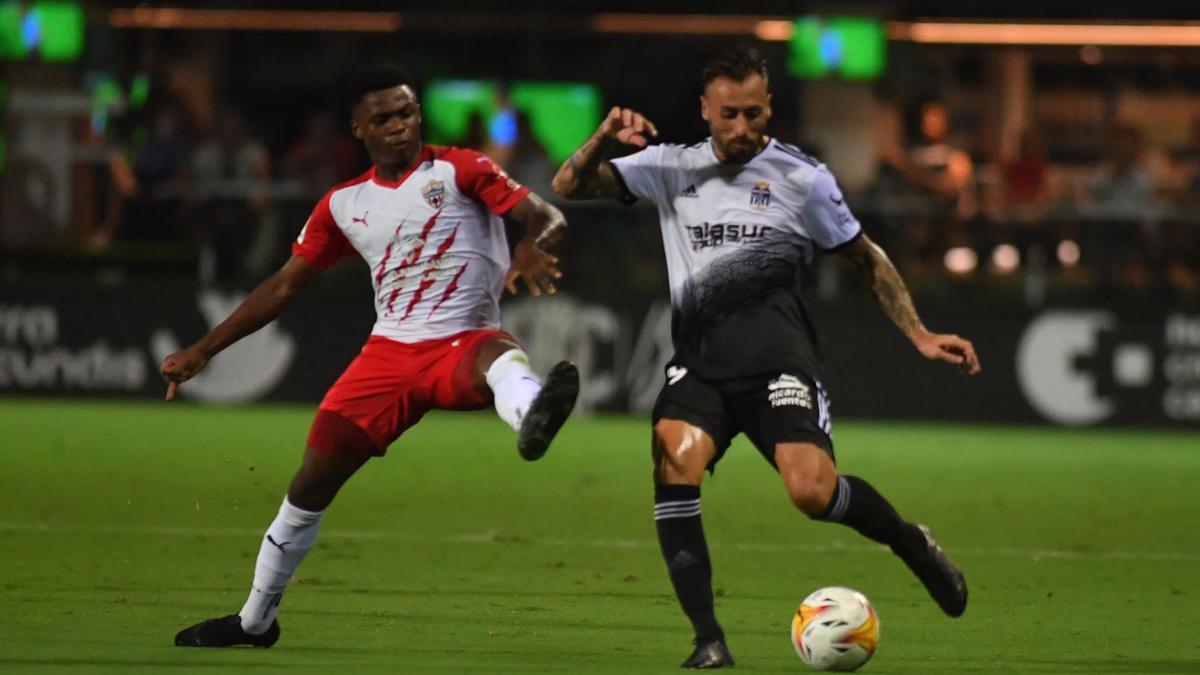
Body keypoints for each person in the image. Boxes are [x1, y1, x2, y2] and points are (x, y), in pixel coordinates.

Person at [552, 47, 980, 669]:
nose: (742, 127)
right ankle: (708, 640)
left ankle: (911, 544)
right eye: (728, 114)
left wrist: (916, 332)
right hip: (700, 364)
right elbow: (568, 185)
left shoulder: (802, 178)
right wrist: (601, 138)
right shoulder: (669, 166)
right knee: (674, 461)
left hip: (780, 360)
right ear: (705, 110)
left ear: (769, 106)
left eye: (754, 112)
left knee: (811, 493)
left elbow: (864, 256)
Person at [165, 65, 580, 648]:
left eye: (406, 112)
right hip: (387, 357)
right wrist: (203, 349)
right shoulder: (343, 204)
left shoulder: (462, 168)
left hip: (460, 341)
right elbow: (283, 287)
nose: (398, 127)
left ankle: (534, 411)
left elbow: (547, 214)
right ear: (357, 127)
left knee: (496, 358)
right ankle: (255, 621)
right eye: (382, 118)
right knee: (309, 484)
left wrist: (532, 247)